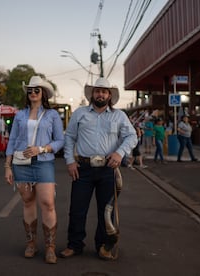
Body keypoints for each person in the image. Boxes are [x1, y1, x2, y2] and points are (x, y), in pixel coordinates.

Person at [61, 77, 137, 260]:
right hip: (83, 168)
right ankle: (74, 245)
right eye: (97, 91)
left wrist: (119, 153)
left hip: (107, 169)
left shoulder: (119, 116)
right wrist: (70, 161)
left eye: (104, 91)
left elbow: (132, 137)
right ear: (92, 94)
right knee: (77, 209)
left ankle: (103, 246)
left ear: (109, 95)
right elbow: (69, 138)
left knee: (106, 210)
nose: (100, 94)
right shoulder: (79, 114)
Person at [5, 76, 64, 264]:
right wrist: (8, 165)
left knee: (47, 203)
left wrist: (42, 148)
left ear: (43, 93)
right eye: (30, 90)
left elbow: (60, 141)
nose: (32, 93)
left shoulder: (52, 115)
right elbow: (12, 140)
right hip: (21, 163)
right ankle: (31, 244)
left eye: (36, 90)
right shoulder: (20, 115)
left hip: (44, 162)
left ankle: (50, 247)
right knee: (28, 202)